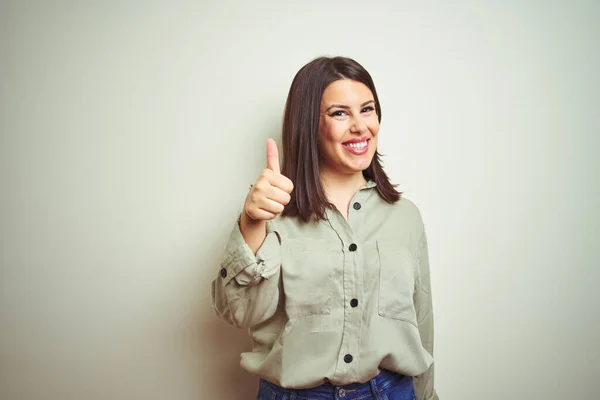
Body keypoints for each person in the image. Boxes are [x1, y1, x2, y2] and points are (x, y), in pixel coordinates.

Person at [211, 56, 438, 400]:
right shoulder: (271, 213)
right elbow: (239, 312)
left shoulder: (405, 216)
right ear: (309, 124)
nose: (361, 126)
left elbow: (421, 324)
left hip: (391, 392)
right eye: (339, 113)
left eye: (367, 109)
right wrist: (252, 221)